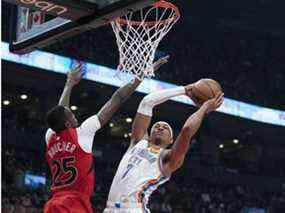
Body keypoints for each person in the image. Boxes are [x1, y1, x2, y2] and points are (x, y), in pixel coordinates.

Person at [44, 57, 169, 213]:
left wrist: (69, 85)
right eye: (72, 115)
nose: (74, 115)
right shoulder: (83, 132)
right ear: (68, 124)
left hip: (53, 203)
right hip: (73, 204)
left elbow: (60, 111)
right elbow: (117, 98)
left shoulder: (50, 136)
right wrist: (141, 76)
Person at [104, 83, 224, 213]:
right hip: (109, 209)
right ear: (149, 136)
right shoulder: (138, 142)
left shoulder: (167, 158)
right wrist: (184, 89)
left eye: (165, 128)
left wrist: (204, 107)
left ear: (171, 140)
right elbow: (147, 102)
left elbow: (187, 130)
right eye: (157, 126)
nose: (160, 127)